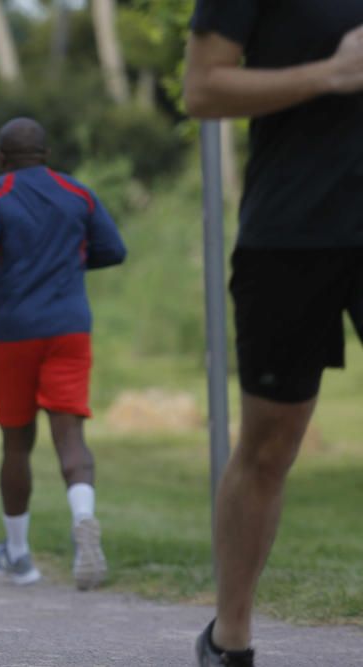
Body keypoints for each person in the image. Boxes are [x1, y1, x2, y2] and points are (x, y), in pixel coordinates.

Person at [184, 4, 363, 666]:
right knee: (268, 446)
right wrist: (332, 72)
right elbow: (202, 88)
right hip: (293, 233)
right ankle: (230, 639)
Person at [0, 118, 126, 590]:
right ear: (46, 154)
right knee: (71, 437)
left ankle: (19, 556)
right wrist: (68, 261)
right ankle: (84, 519)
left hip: (12, 331)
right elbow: (113, 249)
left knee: (17, 443)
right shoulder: (78, 194)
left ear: (1, 158)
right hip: (70, 328)